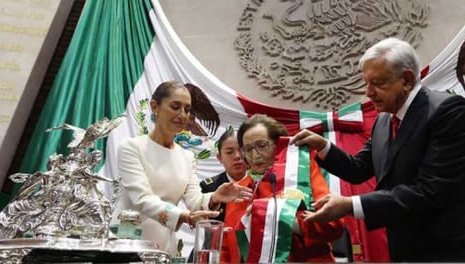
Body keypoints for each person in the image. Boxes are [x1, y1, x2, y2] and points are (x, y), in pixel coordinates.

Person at [291, 37, 465, 262]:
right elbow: (358, 169)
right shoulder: (384, 121)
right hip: (410, 248)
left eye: (377, 83)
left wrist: (351, 205)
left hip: (459, 250)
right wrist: (322, 146)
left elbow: (430, 191)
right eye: (366, 83)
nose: (368, 92)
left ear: (406, 80)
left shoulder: (448, 112)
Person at [112, 81, 252, 255]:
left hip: (163, 245)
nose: (182, 115)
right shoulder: (131, 147)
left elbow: (194, 201)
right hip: (128, 242)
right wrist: (184, 217)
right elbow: (141, 198)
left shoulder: (187, 157)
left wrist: (215, 197)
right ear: (155, 107)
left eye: (187, 109)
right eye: (175, 107)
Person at [222, 114, 344, 263]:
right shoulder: (239, 189)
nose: (255, 155)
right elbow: (228, 249)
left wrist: (275, 214)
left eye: (262, 146)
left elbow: (333, 227)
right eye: (248, 149)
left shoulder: (302, 174)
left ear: (279, 146)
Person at [199, 125, 248, 221]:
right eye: (229, 152)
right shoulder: (209, 187)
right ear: (219, 157)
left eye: (242, 150)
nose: (237, 156)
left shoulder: (259, 185)